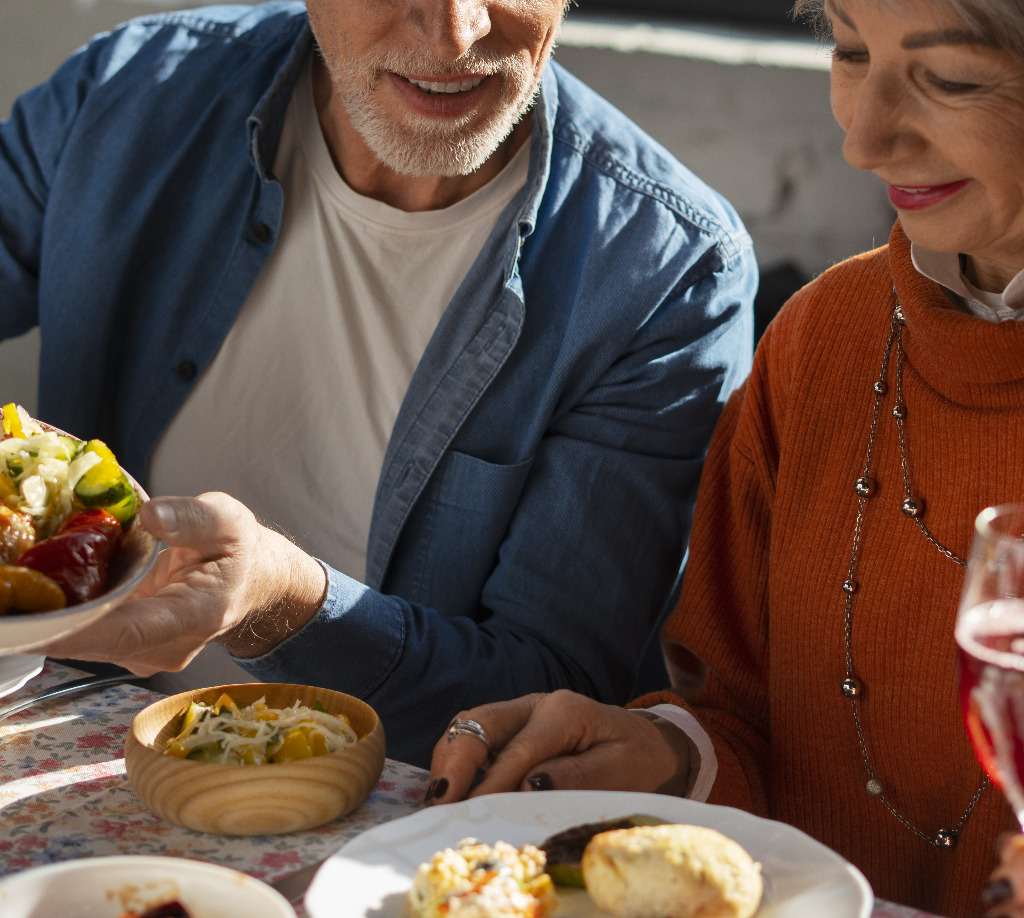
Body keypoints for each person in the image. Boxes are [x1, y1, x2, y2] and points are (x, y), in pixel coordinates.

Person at [0, 0, 756, 767]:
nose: (457, 34)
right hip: (60, 763)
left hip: (395, 837)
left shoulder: (668, 272)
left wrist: (281, 602)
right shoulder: (127, 91)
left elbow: (552, 696)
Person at [422, 0, 1024, 913]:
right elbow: (740, 719)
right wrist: (669, 757)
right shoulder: (824, 339)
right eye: (852, 53)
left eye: (951, 80)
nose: (865, 140)